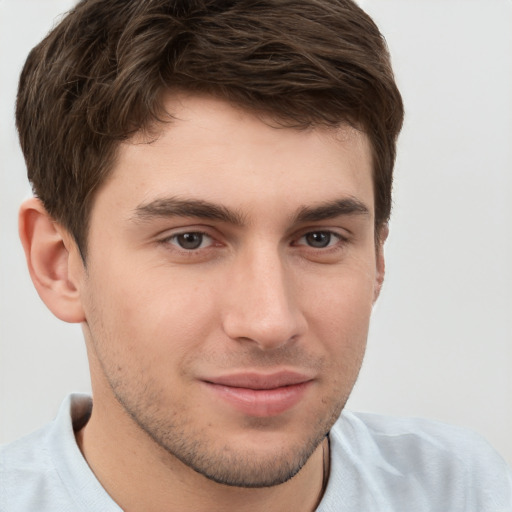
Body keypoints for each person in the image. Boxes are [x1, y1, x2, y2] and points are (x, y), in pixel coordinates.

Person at [0, 0, 510, 510]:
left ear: (377, 258)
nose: (270, 322)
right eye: (190, 240)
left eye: (319, 238)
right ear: (59, 265)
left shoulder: (468, 490)